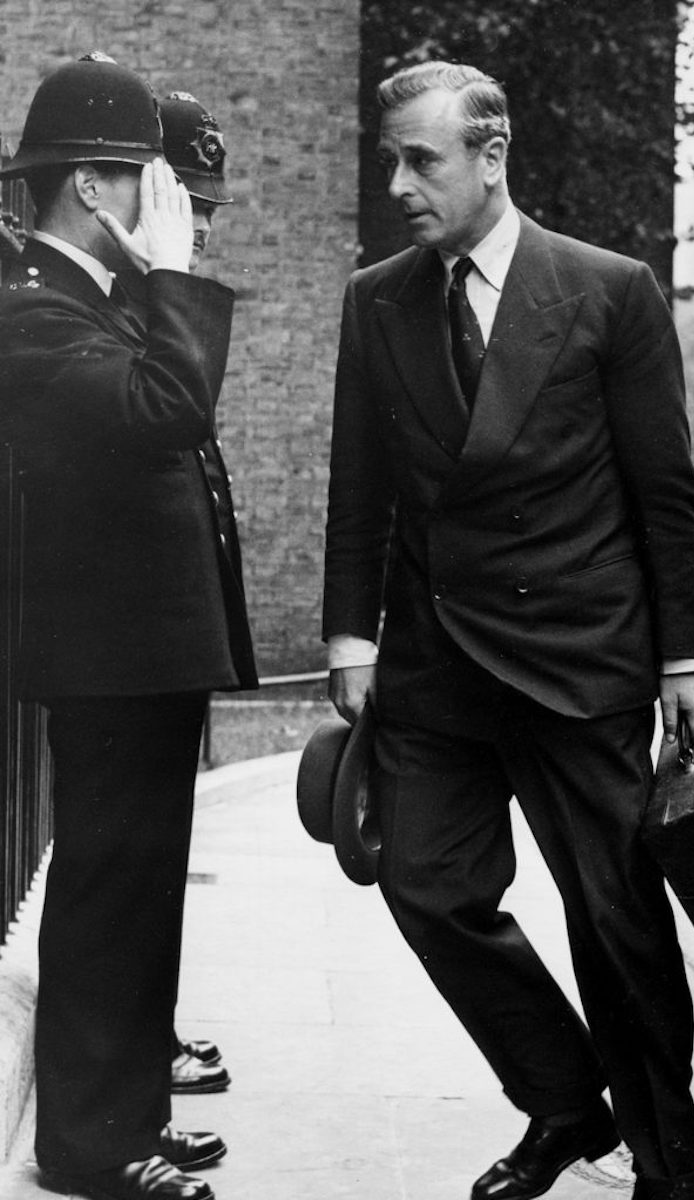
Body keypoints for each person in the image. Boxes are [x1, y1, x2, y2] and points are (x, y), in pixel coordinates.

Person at [323, 61, 694, 1200]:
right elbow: (361, 489)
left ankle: (663, 1153)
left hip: (576, 657)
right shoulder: (376, 296)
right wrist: (352, 638)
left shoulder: (605, 289)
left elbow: (663, 493)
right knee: (425, 888)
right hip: (436, 661)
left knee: (614, 923)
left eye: (421, 159)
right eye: (389, 158)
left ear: (490, 158)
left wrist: (682, 658)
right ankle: (561, 1104)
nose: (398, 182)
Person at [0, 54, 257, 1200]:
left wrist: (153, 282)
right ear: (96, 189)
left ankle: (127, 1115)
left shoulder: (86, 303)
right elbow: (167, 411)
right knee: (110, 893)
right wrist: (171, 271)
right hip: (105, 658)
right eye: (147, 182)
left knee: (137, 889)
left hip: (138, 655)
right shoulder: (32, 312)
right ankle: (93, 1144)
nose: (167, 211)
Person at [117, 89, 239, 1100]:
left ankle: (145, 1028)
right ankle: (132, 1038)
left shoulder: (145, 297)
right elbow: (168, 418)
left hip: (156, 636)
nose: (197, 226)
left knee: (149, 859)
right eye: (182, 199)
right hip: (116, 638)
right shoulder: (123, 301)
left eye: (206, 207)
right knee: (121, 863)